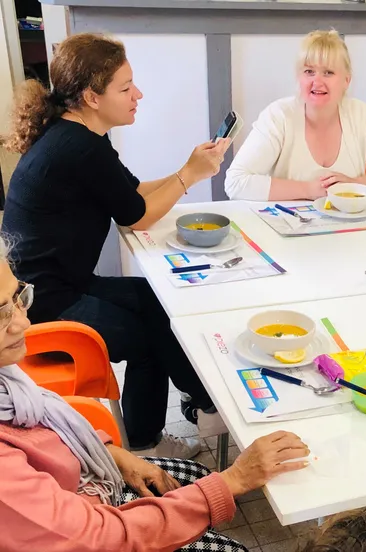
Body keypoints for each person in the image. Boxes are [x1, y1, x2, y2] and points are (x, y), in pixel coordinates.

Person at [0, 234, 311, 552]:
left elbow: (50, 430)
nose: (24, 321)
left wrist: (117, 457)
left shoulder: (6, 376)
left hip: (85, 489)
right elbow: (102, 540)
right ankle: (189, 415)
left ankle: (166, 430)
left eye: (18, 297)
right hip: (92, 529)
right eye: (1, 313)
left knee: (197, 474)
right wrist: (234, 480)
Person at [0, 33, 230, 458]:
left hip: (61, 283)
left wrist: (190, 170)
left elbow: (131, 192)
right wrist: (189, 175)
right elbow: (137, 214)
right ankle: (147, 443)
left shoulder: (82, 136)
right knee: (144, 340)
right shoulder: (79, 148)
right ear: (91, 96)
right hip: (42, 302)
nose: (137, 94)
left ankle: (204, 403)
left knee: (151, 295)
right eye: (125, 88)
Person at [225, 30, 366, 201]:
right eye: (309, 72)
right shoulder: (278, 116)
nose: (317, 81)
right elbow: (235, 182)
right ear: (299, 77)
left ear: (346, 81)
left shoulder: (362, 115)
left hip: (351, 229)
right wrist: (308, 190)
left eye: (328, 73)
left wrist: (353, 185)